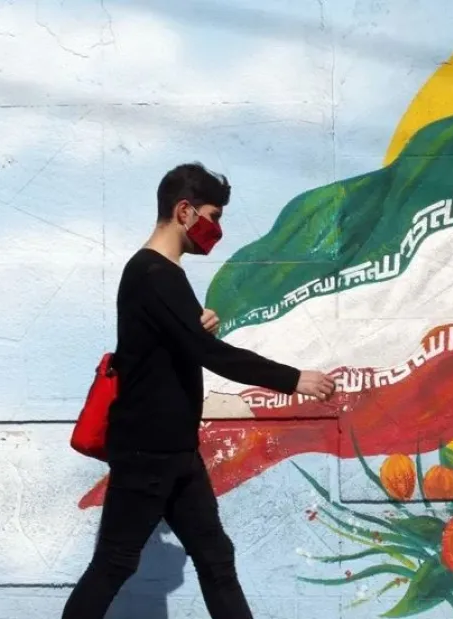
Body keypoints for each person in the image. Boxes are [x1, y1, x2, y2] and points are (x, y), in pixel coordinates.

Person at [62, 163, 336, 618]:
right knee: (113, 563)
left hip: (175, 455)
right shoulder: (153, 273)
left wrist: (196, 328)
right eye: (214, 215)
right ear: (184, 211)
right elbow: (214, 356)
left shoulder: (161, 275)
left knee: (215, 560)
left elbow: (173, 344)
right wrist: (295, 380)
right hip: (147, 455)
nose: (218, 228)